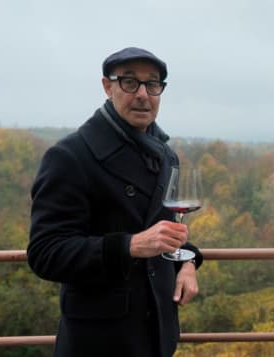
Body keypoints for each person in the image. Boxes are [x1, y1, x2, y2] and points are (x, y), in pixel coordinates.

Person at [27, 47, 203, 357]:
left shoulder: (165, 155)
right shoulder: (70, 157)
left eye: (152, 84)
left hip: (156, 335)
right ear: (108, 87)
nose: (143, 94)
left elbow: (165, 232)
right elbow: (45, 253)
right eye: (130, 83)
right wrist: (130, 245)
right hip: (99, 341)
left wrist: (187, 261)